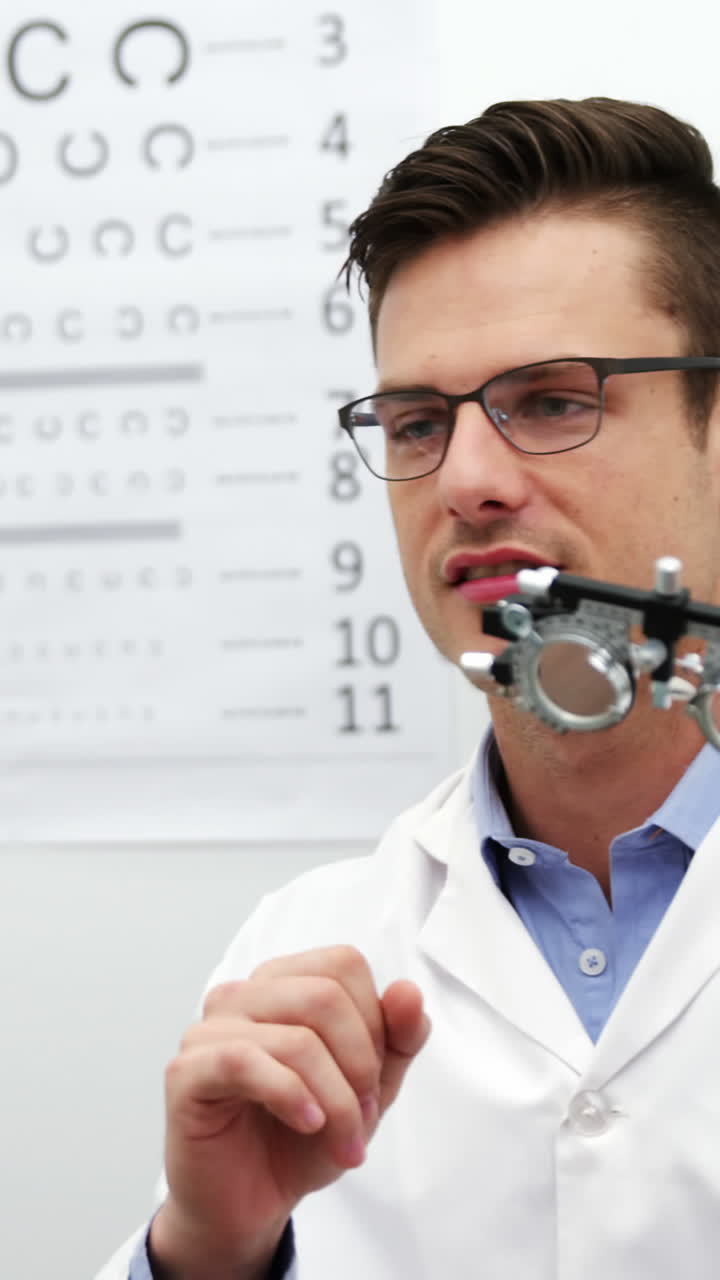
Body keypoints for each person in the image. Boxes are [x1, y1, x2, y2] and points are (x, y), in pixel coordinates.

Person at [98, 97, 720, 1280]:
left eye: (553, 399)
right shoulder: (303, 953)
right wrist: (212, 1250)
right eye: (418, 421)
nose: (466, 479)